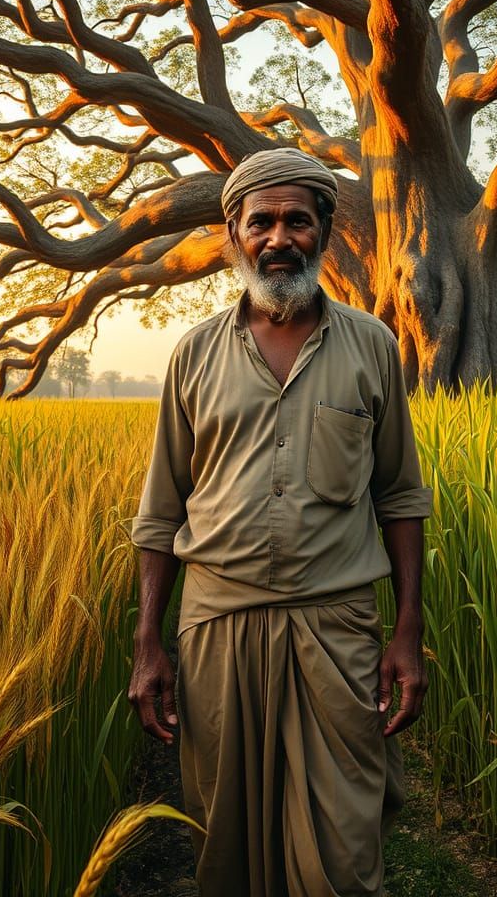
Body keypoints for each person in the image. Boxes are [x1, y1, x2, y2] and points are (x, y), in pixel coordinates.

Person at [128, 147, 433, 897]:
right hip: (217, 626)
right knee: (227, 839)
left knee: (344, 851)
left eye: (298, 219)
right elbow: (162, 510)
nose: (278, 237)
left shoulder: (372, 346)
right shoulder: (194, 355)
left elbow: (398, 496)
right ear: (234, 233)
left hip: (336, 625)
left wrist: (407, 632)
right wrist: (147, 646)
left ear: (325, 231)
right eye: (259, 221)